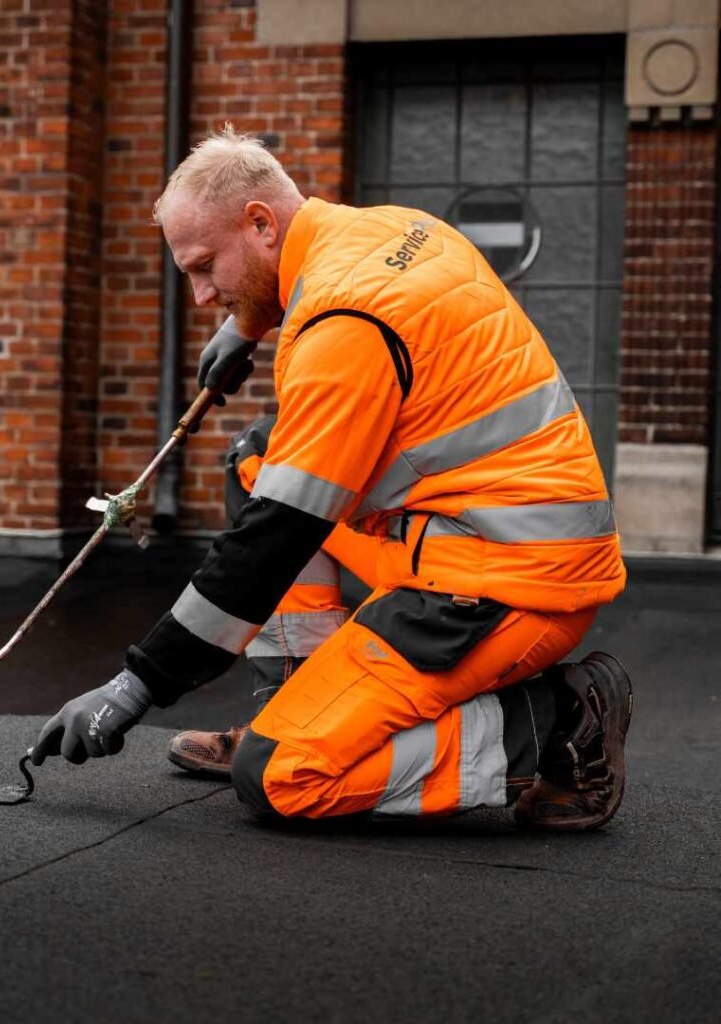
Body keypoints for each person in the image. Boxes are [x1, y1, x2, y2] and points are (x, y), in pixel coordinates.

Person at [31, 126, 632, 831]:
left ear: (260, 224)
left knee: (284, 779)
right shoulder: (394, 229)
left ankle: (558, 721)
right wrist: (248, 321)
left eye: (203, 268)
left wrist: (137, 684)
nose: (199, 297)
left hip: (505, 581)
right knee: (257, 455)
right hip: (479, 533)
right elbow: (306, 289)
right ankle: (294, 704)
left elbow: (273, 539)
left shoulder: (345, 323)